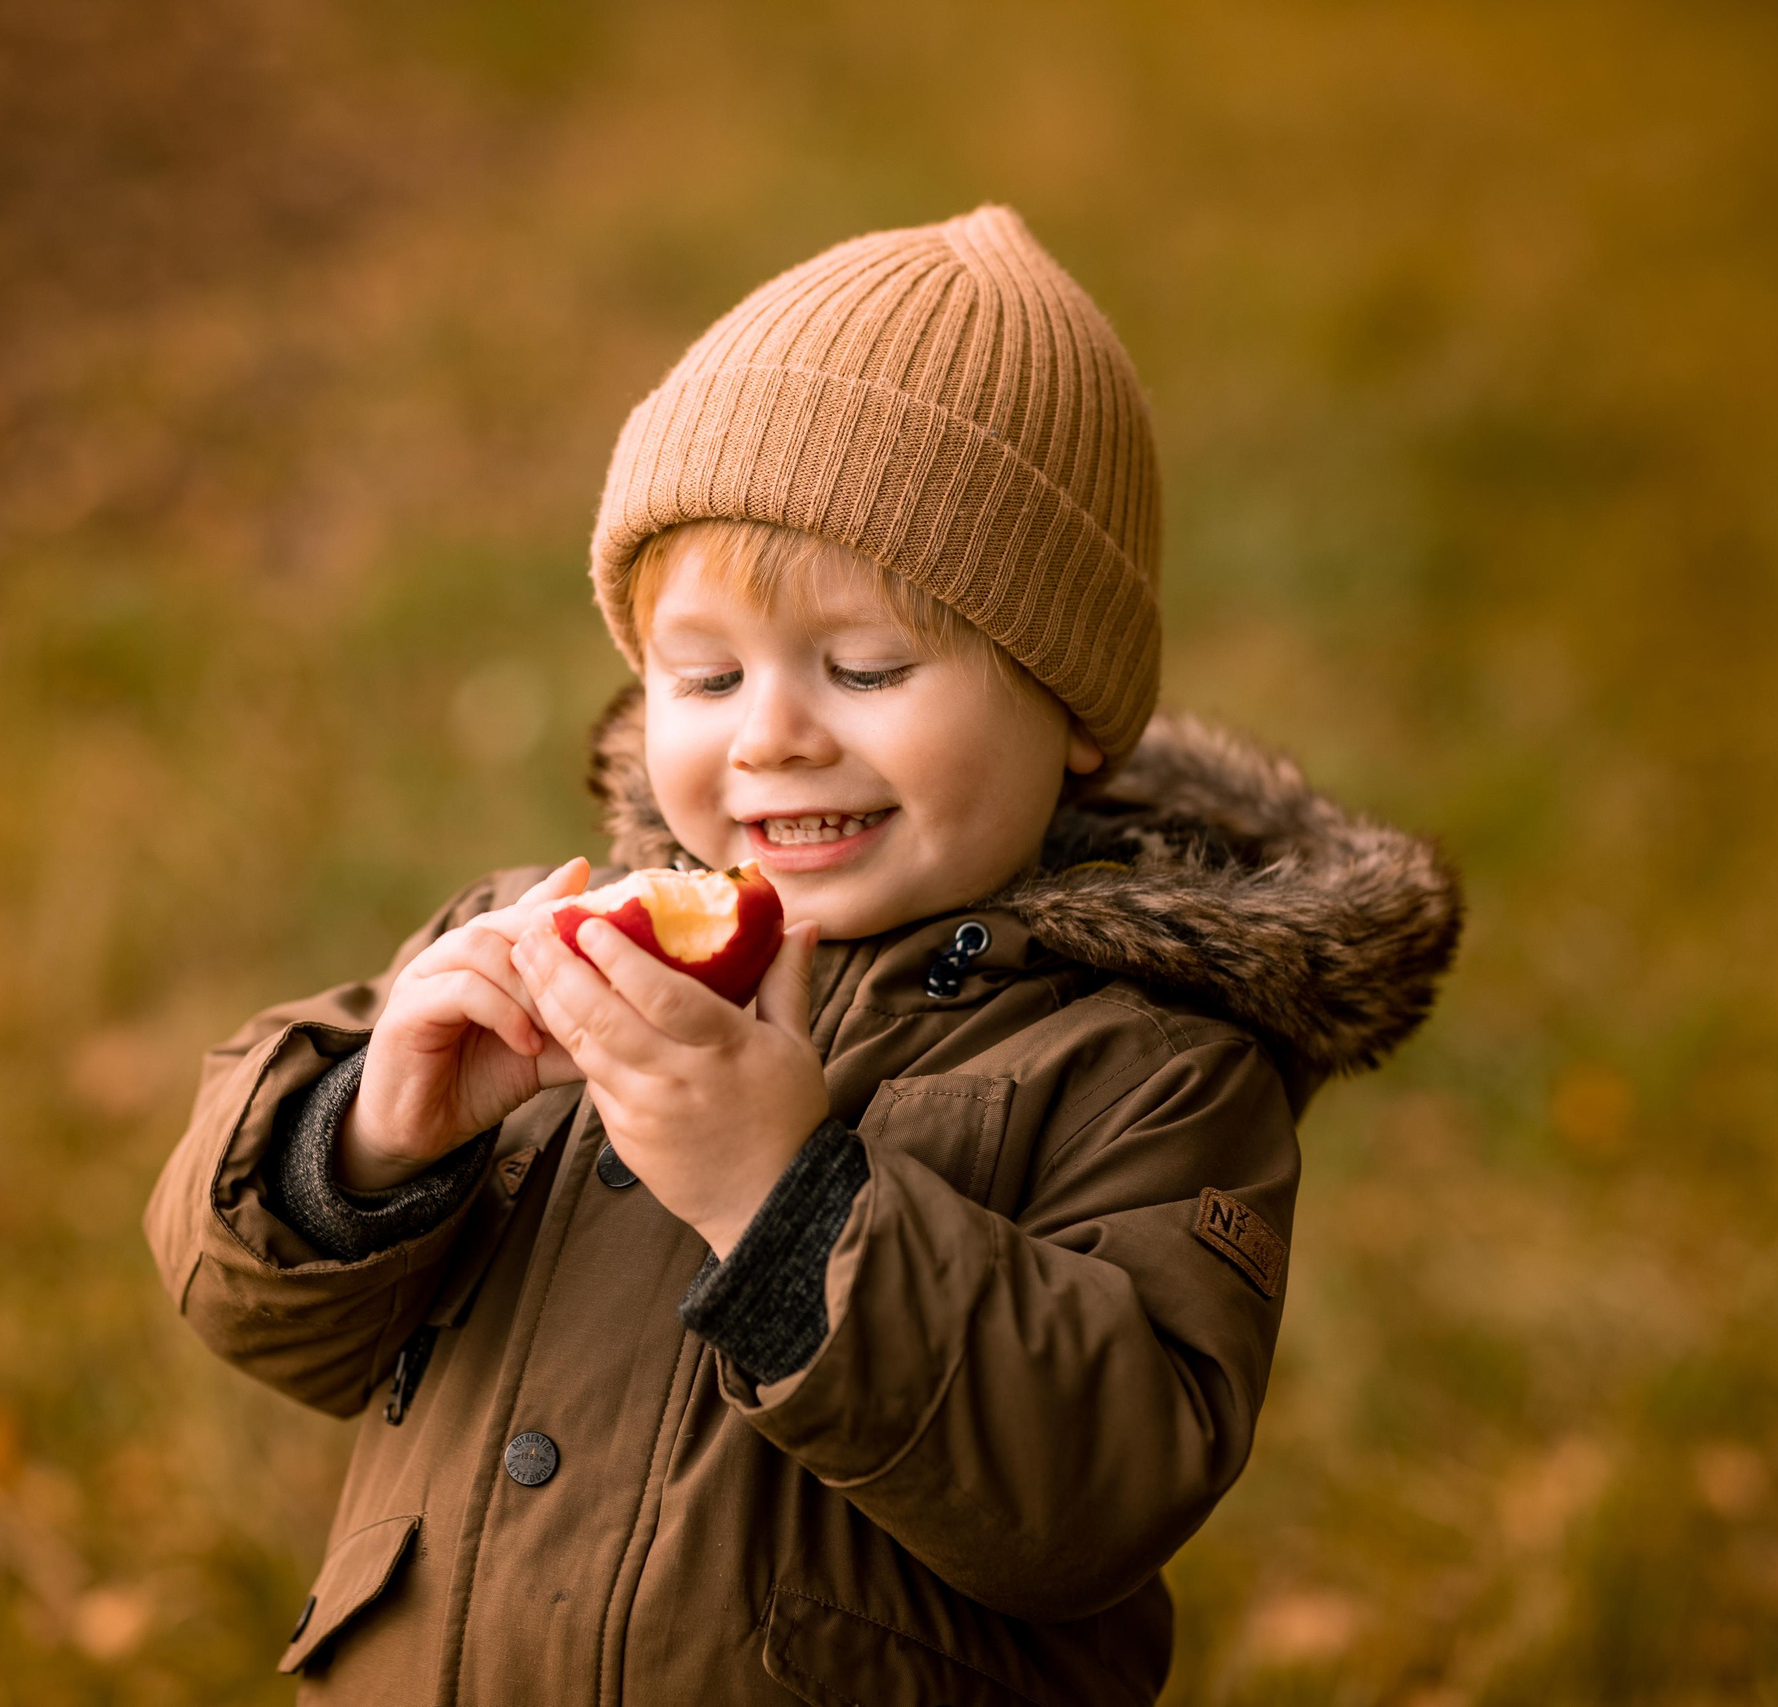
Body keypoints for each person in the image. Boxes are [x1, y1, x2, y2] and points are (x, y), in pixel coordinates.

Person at [144, 205, 1462, 1704]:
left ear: (1073, 712)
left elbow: (1101, 1491)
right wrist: (372, 1142)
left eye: (866, 667)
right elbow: (256, 1309)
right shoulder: (546, 950)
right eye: (703, 675)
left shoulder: (1144, 1064)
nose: (771, 731)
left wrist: (792, 1202)